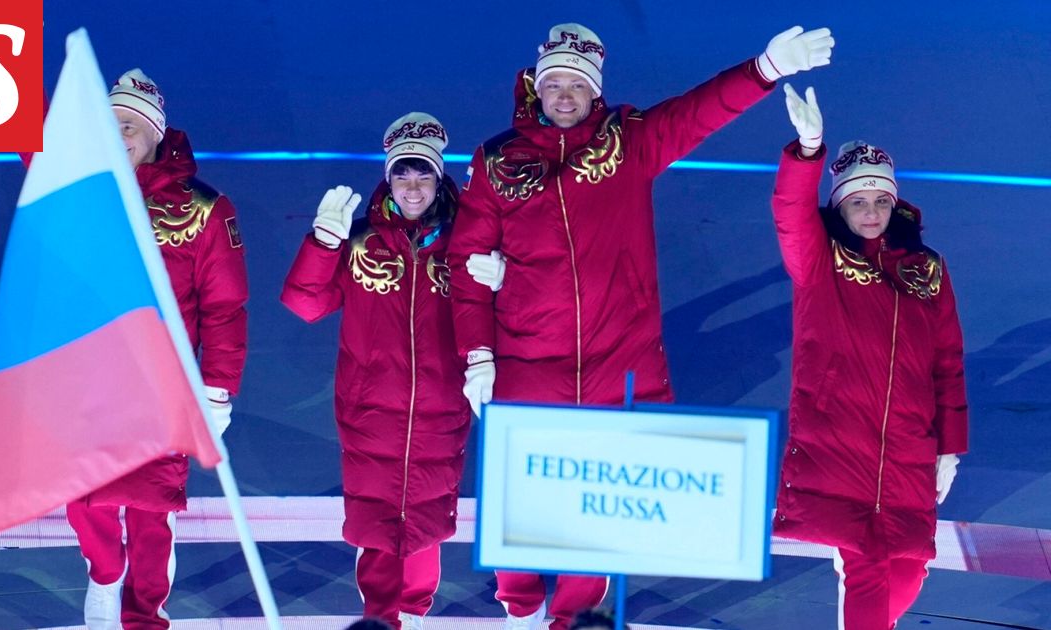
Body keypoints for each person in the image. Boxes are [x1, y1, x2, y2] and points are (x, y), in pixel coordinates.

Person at [447, 22, 834, 630]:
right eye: (555, 83)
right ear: (537, 87)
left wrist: (764, 67)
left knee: (597, 511)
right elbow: (466, 262)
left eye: (577, 84)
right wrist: (477, 354)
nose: (566, 95)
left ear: (594, 90)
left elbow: (697, 113)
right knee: (520, 502)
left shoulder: (627, 143)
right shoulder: (497, 162)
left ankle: (573, 619)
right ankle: (519, 610)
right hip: (528, 363)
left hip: (617, 363)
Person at [282, 113, 493, 630]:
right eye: (403, 175)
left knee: (425, 521)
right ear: (388, 179)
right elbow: (305, 303)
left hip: (441, 407)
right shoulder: (360, 242)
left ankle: (414, 616)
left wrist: (505, 275)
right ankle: (379, 619)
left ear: (439, 179)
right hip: (370, 411)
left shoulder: (466, 243)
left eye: (423, 175)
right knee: (376, 524)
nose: (413, 187)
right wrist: (322, 244)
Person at [770, 84, 968, 630]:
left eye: (881, 200)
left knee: (908, 569)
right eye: (858, 201)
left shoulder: (927, 270)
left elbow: (948, 360)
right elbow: (789, 212)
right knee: (868, 564)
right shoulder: (819, 260)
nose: (872, 211)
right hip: (839, 440)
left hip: (907, 445)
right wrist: (808, 150)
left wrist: (950, 446)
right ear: (839, 204)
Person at [63, 69, 250, 630]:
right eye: (108, 124)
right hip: (86, 382)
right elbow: (32, 141)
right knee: (83, 498)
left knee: (150, 511)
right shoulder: (79, 188)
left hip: (160, 389)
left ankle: (143, 615)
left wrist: (218, 390)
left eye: (129, 126)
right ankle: (104, 574)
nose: (116, 134)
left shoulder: (205, 210)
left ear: (155, 134)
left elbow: (225, 308)